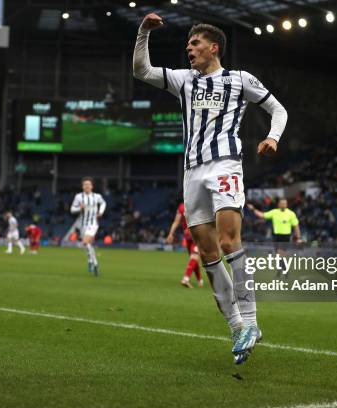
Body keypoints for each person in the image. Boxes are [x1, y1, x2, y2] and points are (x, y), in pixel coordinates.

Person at [133, 14, 288, 364]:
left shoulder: (239, 79)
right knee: (207, 254)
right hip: (191, 173)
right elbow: (142, 70)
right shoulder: (184, 81)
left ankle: (250, 320)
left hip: (225, 166)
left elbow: (278, 110)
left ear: (213, 47)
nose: (189, 49)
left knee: (230, 241)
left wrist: (272, 137)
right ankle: (236, 327)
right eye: (188, 45)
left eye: (195, 44)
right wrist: (143, 32)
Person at [70, 177, 106, 276]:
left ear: (92, 186)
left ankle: (95, 264)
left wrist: (101, 212)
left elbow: (103, 203)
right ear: (82, 186)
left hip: (93, 224)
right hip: (83, 224)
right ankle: (90, 260)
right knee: (86, 244)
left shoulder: (97, 196)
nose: (87, 186)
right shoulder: (78, 197)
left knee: (85, 242)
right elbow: (72, 209)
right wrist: (79, 208)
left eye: (88, 184)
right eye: (85, 184)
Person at [167, 202, 203, 288]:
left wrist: (170, 234)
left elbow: (176, 222)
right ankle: (186, 279)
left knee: (193, 258)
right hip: (196, 235)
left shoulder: (182, 206)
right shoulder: (200, 204)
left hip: (188, 235)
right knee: (194, 257)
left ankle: (199, 280)